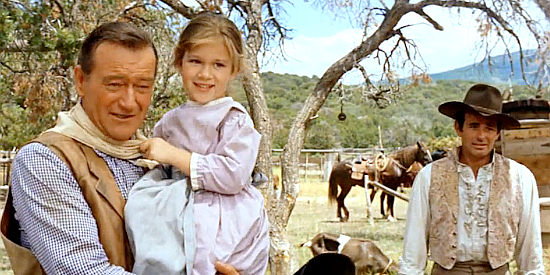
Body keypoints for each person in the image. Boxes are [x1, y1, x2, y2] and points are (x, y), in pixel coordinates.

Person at [1, 21, 239, 275]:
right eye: (114, 84)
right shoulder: (46, 160)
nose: (128, 102)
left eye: (142, 86)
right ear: (81, 80)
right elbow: (84, 271)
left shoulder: (153, 158)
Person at [130, 12, 269, 275]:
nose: (205, 74)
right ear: (179, 62)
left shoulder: (234, 119)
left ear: (233, 69)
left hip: (223, 217)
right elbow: (162, 162)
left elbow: (233, 175)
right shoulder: (170, 121)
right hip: (176, 213)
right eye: (195, 61)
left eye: (218, 65)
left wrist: (173, 155)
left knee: (212, 261)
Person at [399, 84, 545, 274]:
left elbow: (530, 246)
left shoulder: (519, 177)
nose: (481, 136)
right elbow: (414, 242)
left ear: (497, 133)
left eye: (489, 128)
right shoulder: (429, 176)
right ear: (459, 128)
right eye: (474, 126)